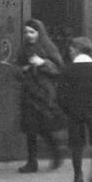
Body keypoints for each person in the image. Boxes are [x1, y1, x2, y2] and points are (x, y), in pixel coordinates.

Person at [56, 36, 92, 182]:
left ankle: (78, 177)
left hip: (75, 112)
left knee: (77, 144)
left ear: (78, 51)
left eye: (71, 50)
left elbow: (60, 95)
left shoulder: (68, 69)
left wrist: (68, 110)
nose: (70, 52)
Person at [14, 18, 65, 173]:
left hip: (44, 94)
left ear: (39, 32)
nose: (29, 35)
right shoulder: (24, 49)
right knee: (30, 127)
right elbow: (16, 67)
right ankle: (32, 162)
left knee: (43, 127)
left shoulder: (48, 47)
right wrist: (23, 69)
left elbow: (59, 68)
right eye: (26, 32)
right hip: (29, 92)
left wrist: (42, 62)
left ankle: (56, 152)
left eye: (32, 32)